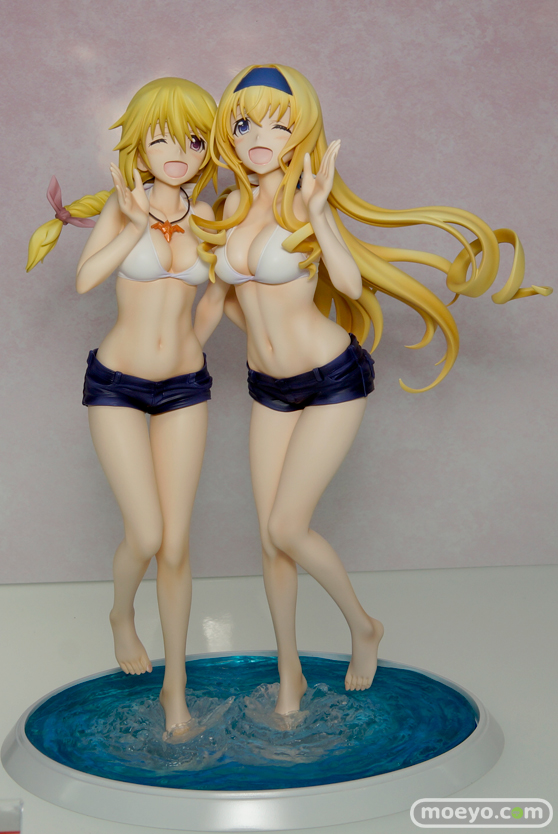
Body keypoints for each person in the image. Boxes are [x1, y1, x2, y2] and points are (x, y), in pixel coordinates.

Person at [192, 63, 551, 716]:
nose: (258, 138)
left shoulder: (305, 202)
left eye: (277, 124)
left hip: (331, 378)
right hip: (267, 385)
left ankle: (364, 626)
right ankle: (291, 676)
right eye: (244, 124)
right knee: (269, 541)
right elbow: (225, 298)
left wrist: (321, 213)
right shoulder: (227, 209)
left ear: (302, 129)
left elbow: (351, 285)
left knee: (288, 526)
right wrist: (191, 351)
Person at [28, 77, 218, 741]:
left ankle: (175, 688)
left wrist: (199, 341)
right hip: (117, 384)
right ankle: (119, 613)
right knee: (146, 535)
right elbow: (86, 278)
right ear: (139, 144)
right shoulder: (123, 205)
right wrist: (132, 224)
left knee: (177, 545)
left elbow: (218, 298)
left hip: (185, 387)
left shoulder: (208, 215)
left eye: (193, 140)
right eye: (163, 139)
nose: (179, 153)